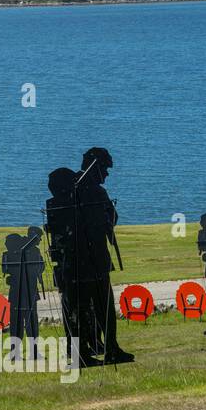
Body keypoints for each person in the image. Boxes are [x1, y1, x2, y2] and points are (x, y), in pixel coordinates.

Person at [74, 148, 132, 363]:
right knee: (103, 305)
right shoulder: (96, 192)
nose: (106, 174)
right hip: (95, 257)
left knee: (79, 307)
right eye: (105, 169)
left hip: (75, 260)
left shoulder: (71, 189)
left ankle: (84, 350)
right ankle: (110, 348)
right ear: (96, 167)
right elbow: (111, 217)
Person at [45, 168, 91, 365]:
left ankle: (79, 349)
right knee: (76, 308)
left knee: (74, 308)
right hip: (72, 264)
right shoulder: (65, 205)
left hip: (66, 264)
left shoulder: (55, 204)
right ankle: (79, 351)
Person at [3, 228, 44, 348]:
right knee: (31, 322)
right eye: (39, 238)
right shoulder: (34, 251)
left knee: (17, 322)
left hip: (16, 291)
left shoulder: (14, 250)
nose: (40, 241)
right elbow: (39, 268)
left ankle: (15, 351)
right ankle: (34, 350)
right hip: (29, 290)